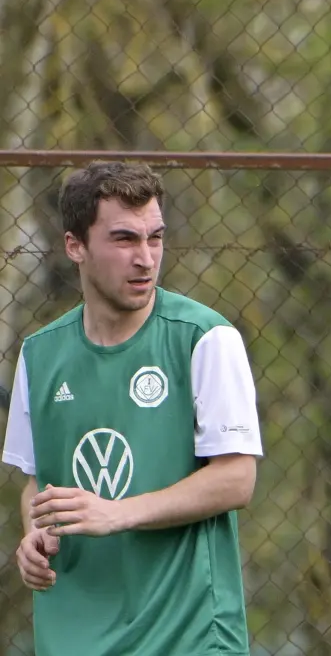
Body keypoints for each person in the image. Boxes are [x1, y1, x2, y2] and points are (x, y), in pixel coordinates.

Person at [2, 161, 263, 656]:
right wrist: (33, 533)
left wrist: (118, 513)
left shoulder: (206, 338)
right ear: (75, 245)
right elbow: (38, 481)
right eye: (124, 240)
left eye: (155, 238)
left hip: (187, 637)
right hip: (72, 636)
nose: (146, 258)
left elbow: (236, 479)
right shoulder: (39, 355)